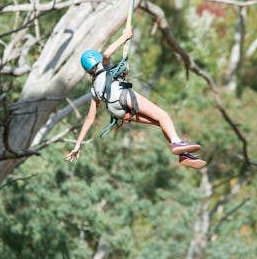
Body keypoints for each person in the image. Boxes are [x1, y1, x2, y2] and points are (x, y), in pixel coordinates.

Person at [65, 26, 206, 169]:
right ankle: (176, 142)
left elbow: (90, 118)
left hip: (118, 111)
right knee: (163, 116)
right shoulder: (104, 65)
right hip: (122, 95)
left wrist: (78, 144)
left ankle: (183, 154)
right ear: (97, 59)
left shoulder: (94, 88)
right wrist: (125, 36)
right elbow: (107, 54)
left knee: (159, 122)